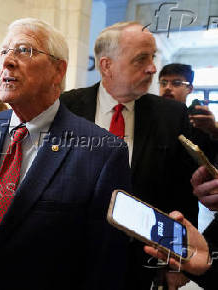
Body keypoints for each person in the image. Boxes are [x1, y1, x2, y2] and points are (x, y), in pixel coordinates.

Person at [0, 18, 131, 290]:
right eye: (4, 52)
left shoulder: (102, 152)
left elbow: (104, 263)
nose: (7, 62)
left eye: (24, 50)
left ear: (58, 70)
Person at [60, 21, 199, 289]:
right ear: (106, 66)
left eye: (152, 57)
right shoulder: (67, 107)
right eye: (140, 59)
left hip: (139, 261)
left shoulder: (171, 116)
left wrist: (176, 259)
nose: (152, 68)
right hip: (72, 254)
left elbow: (182, 193)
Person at [159, 63, 218, 160]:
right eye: (163, 83)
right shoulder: (149, 117)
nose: (167, 87)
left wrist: (214, 131)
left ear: (190, 89)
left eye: (176, 83)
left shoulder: (199, 122)